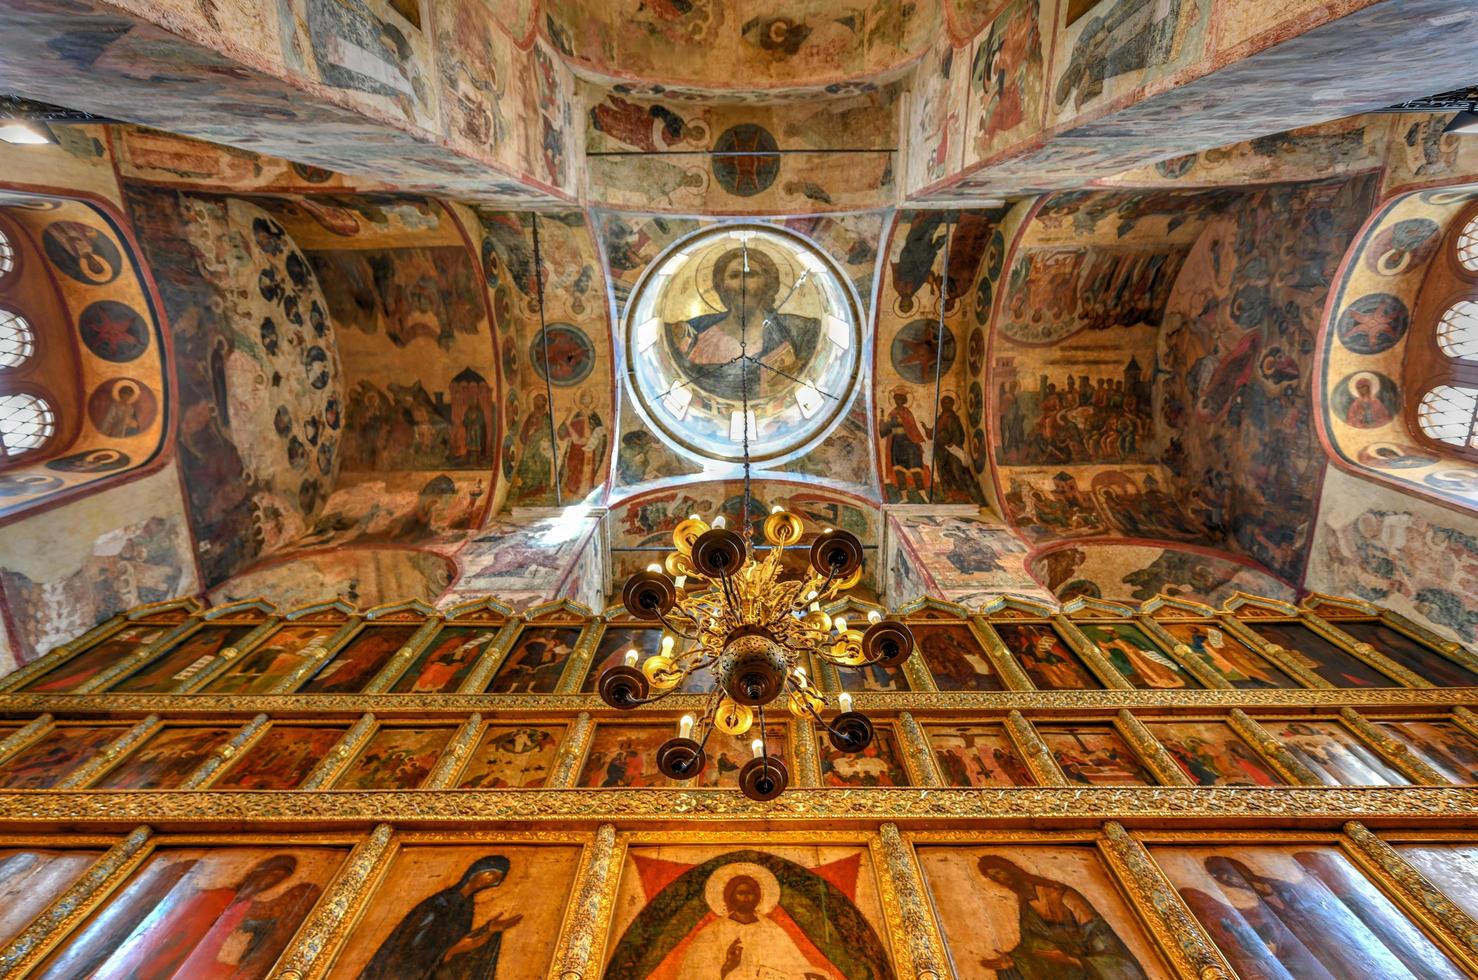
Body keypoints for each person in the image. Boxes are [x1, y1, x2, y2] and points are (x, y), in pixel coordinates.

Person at [974, 855, 1147, 979]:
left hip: (1094, 966)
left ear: (1011, 869)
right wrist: (1012, 960)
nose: (1001, 880)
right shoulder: (1026, 905)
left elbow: (1100, 939)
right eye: (994, 878)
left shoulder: (1060, 894)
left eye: (1000, 873)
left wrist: (1072, 960)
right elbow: (1031, 944)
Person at [361, 855, 522, 979]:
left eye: (495, 880)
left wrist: (488, 931)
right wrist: (451, 950)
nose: (491, 881)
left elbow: (452, 946)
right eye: (491, 874)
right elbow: (411, 947)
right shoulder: (440, 903)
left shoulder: (466, 908)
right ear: (476, 871)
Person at [678, 867, 828, 979]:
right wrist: (726, 967)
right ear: (730, 896)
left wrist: (809, 974)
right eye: (741, 893)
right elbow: (693, 972)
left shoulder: (771, 930)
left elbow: (794, 964)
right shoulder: (713, 931)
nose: (746, 898)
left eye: (750, 893)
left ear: (757, 897)